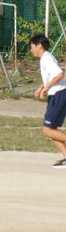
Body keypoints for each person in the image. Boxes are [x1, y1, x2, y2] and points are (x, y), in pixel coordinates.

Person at [30, 34, 66, 168]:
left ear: (39, 46)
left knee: (47, 130)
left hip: (59, 94)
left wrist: (47, 87)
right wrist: (42, 87)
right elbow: (52, 76)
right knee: (51, 130)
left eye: (32, 46)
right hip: (56, 95)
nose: (31, 50)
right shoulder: (45, 58)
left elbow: (60, 74)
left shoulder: (46, 58)